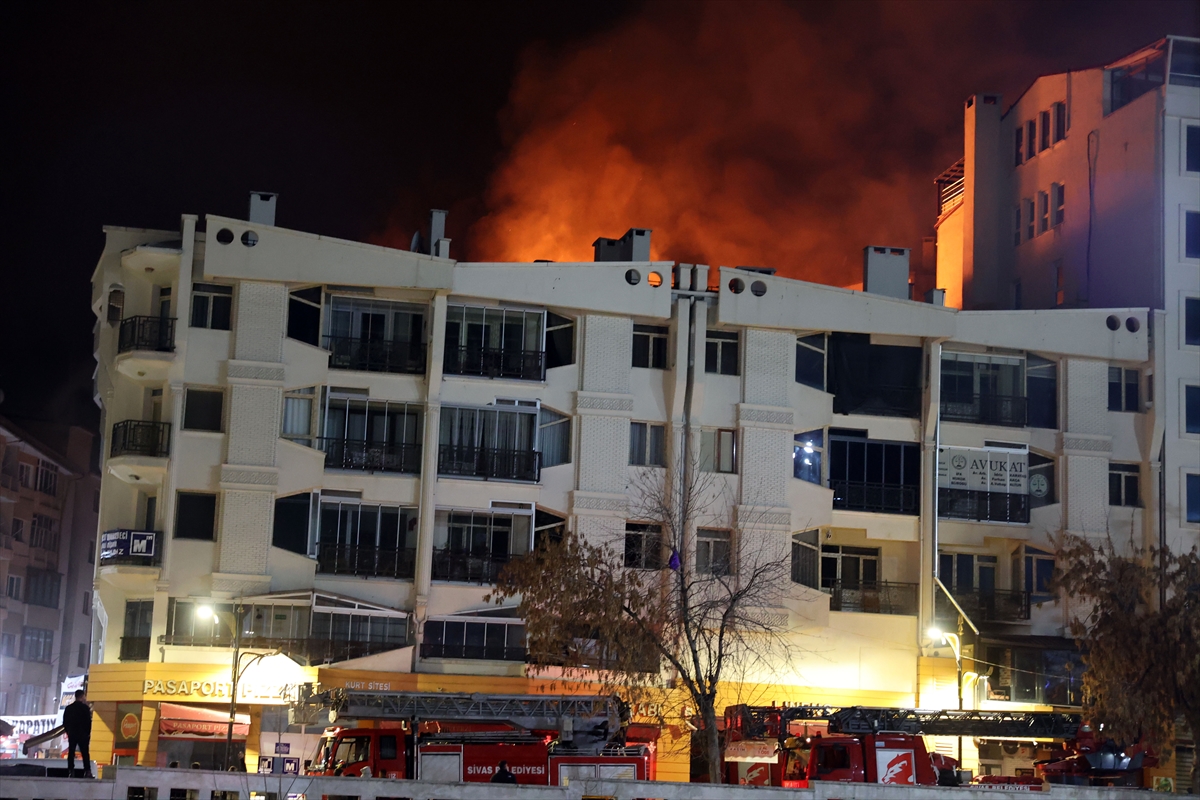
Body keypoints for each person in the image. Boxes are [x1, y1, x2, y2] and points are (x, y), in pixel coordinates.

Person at [62, 689, 92, 778]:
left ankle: (71, 771)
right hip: (82, 734)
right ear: (82, 696)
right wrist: (87, 733)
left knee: (71, 752)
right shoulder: (85, 708)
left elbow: (65, 722)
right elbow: (88, 722)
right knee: (85, 753)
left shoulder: (69, 708)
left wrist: (69, 731)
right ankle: (87, 771)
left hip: (73, 734)